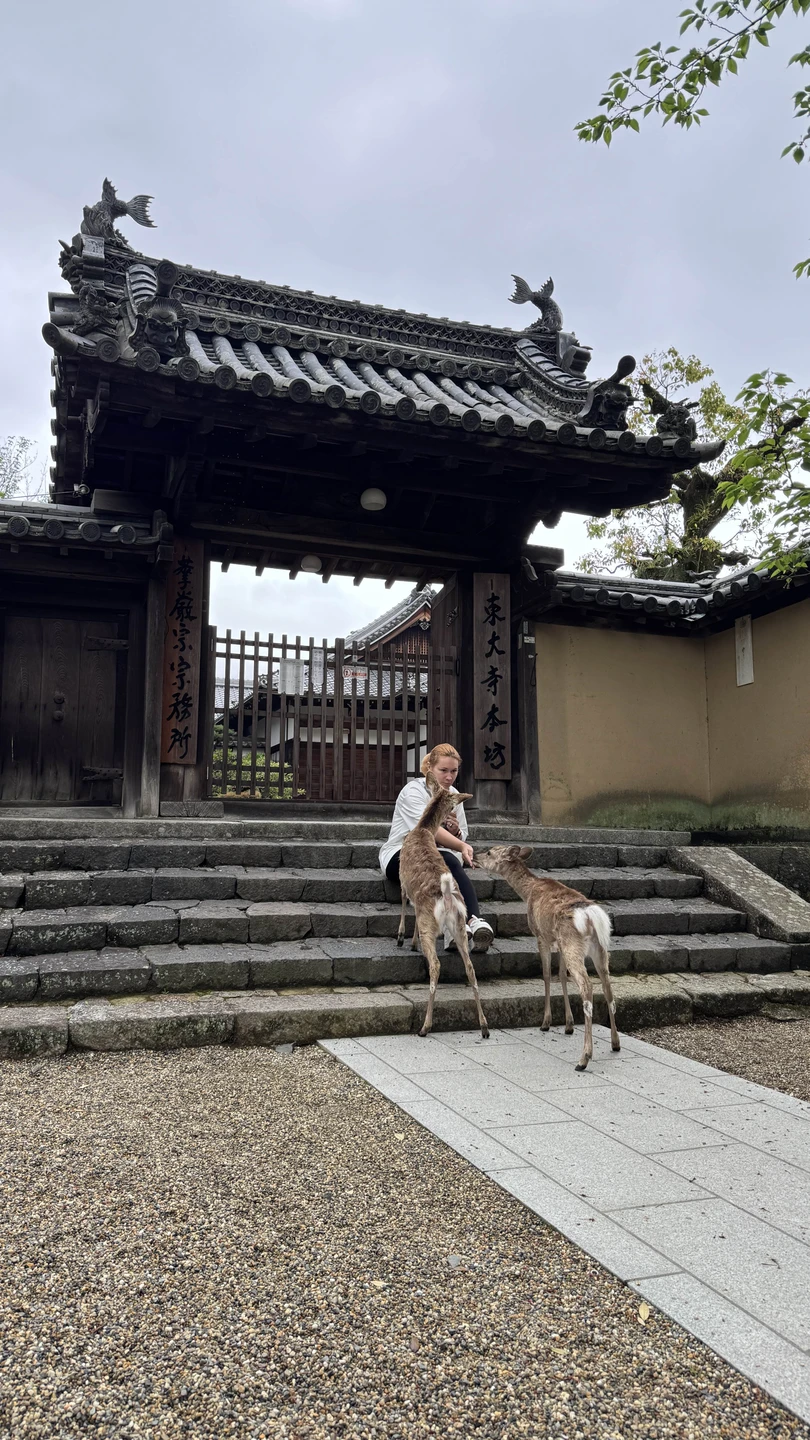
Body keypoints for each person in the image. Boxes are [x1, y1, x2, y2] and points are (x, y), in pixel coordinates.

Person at [379, 742, 494, 952]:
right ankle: (464, 924)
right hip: (402, 855)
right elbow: (427, 830)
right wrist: (460, 844)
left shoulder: (454, 794)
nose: (449, 777)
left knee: (446, 863)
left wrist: (456, 832)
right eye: (443, 771)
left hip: (440, 857)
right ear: (430, 768)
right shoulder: (413, 791)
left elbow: (462, 832)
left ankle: (470, 924)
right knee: (447, 861)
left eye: (454, 771)